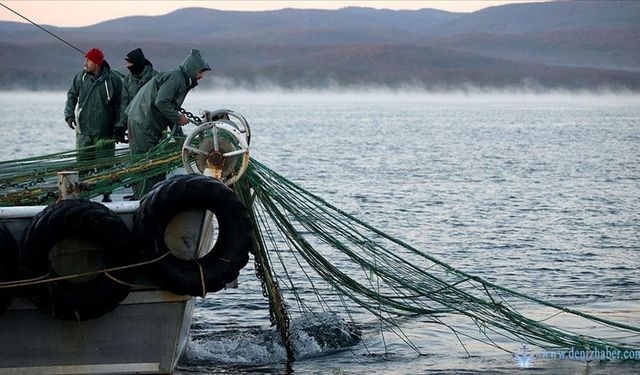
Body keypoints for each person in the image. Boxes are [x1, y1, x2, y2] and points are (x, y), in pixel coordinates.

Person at [126, 49, 211, 199]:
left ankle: (148, 196)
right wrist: (178, 118)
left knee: (149, 160)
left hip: (144, 120)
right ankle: (144, 198)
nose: (202, 76)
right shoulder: (176, 78)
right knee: (146, 162)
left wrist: (182, 142)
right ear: (192, 69)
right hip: (142, 120)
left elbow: (169, 109)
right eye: (200, 71)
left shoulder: (181, 80)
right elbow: (161, 102)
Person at [64, 47, 124, 202]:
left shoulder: (113, 80)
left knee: (105, 165)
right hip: (83, 131)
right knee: (83, 165)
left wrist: (120, 126)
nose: (85, 63)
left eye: (89, 60)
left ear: (97, 63)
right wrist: (69, 115)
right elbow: (71, 96)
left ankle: (106, 194)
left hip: (104, 131)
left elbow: (122, 103)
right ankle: (83, 197)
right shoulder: (80, 78)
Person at [117, 48, 158, 143]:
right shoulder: (128, 80)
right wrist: (121, 126)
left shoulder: (155, 77)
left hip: (154, 126)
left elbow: (162, 102)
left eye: (130, 64)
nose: (127, 66)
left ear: (137, 63)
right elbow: (124, 104)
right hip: (134, 126)